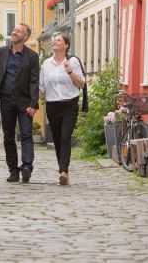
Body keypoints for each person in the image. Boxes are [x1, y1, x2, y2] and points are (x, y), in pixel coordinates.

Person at [0, 23, 40, 183]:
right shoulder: (1, 52)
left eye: (18, 31)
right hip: (6, 101)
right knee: (8, 137)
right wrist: (1, 92)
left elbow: (34, 82)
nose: (14, 32)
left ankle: (26, 167)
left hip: (25, 103)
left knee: (26, 135)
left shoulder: (32, 56)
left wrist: (33, 104)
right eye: (14, 30)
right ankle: (13, 170)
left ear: (25, 37)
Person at [39, 33, 85, 185]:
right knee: (58, 140)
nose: (55, 42)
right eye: (54, 40)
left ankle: (63, 171)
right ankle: (63, 169)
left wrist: (70, 71)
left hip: (69, 105)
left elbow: (81, 84)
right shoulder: (46, 64)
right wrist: (31, 102)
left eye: (58, 40)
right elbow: (41, 87)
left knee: (65, 137)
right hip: (52, 106)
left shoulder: (73, 61)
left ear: (66, 45)